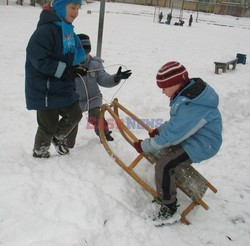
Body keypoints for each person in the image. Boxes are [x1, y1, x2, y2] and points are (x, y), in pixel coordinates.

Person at [134, 61, 222, 222]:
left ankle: (169, 208)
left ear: (175, 84)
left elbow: (173, 135)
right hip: (196, 137)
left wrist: (144, 146)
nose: (162, 92)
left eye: (164, 88)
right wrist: (159, 130)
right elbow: (177, 124)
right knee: (166, 152)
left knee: (164, 166)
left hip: (202, 144)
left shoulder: (190, 105)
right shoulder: (188, 97)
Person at [25, 0, 88, 158]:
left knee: (75, 114)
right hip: (45, 88)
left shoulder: (66, 30)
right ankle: (40, 152)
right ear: (60, 7)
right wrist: (65, 70)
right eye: (72, 7)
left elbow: (69, 56)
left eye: (78, 8)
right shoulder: (46, 31)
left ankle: (57, 137)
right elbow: (38, 58)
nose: (76, 11)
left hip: (62, 85)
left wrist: (75, 68)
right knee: (47, 125)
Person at [65, 34, 132, 147]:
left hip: (93, 98)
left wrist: (116, 78)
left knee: (96, 117)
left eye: (87, 53)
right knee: (73, 120)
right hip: (75, 100)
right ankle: (67, 143)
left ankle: (104, 135)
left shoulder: (95, 64)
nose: (85, 56)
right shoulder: (70, 65)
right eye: (82, 53)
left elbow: (104, 79)